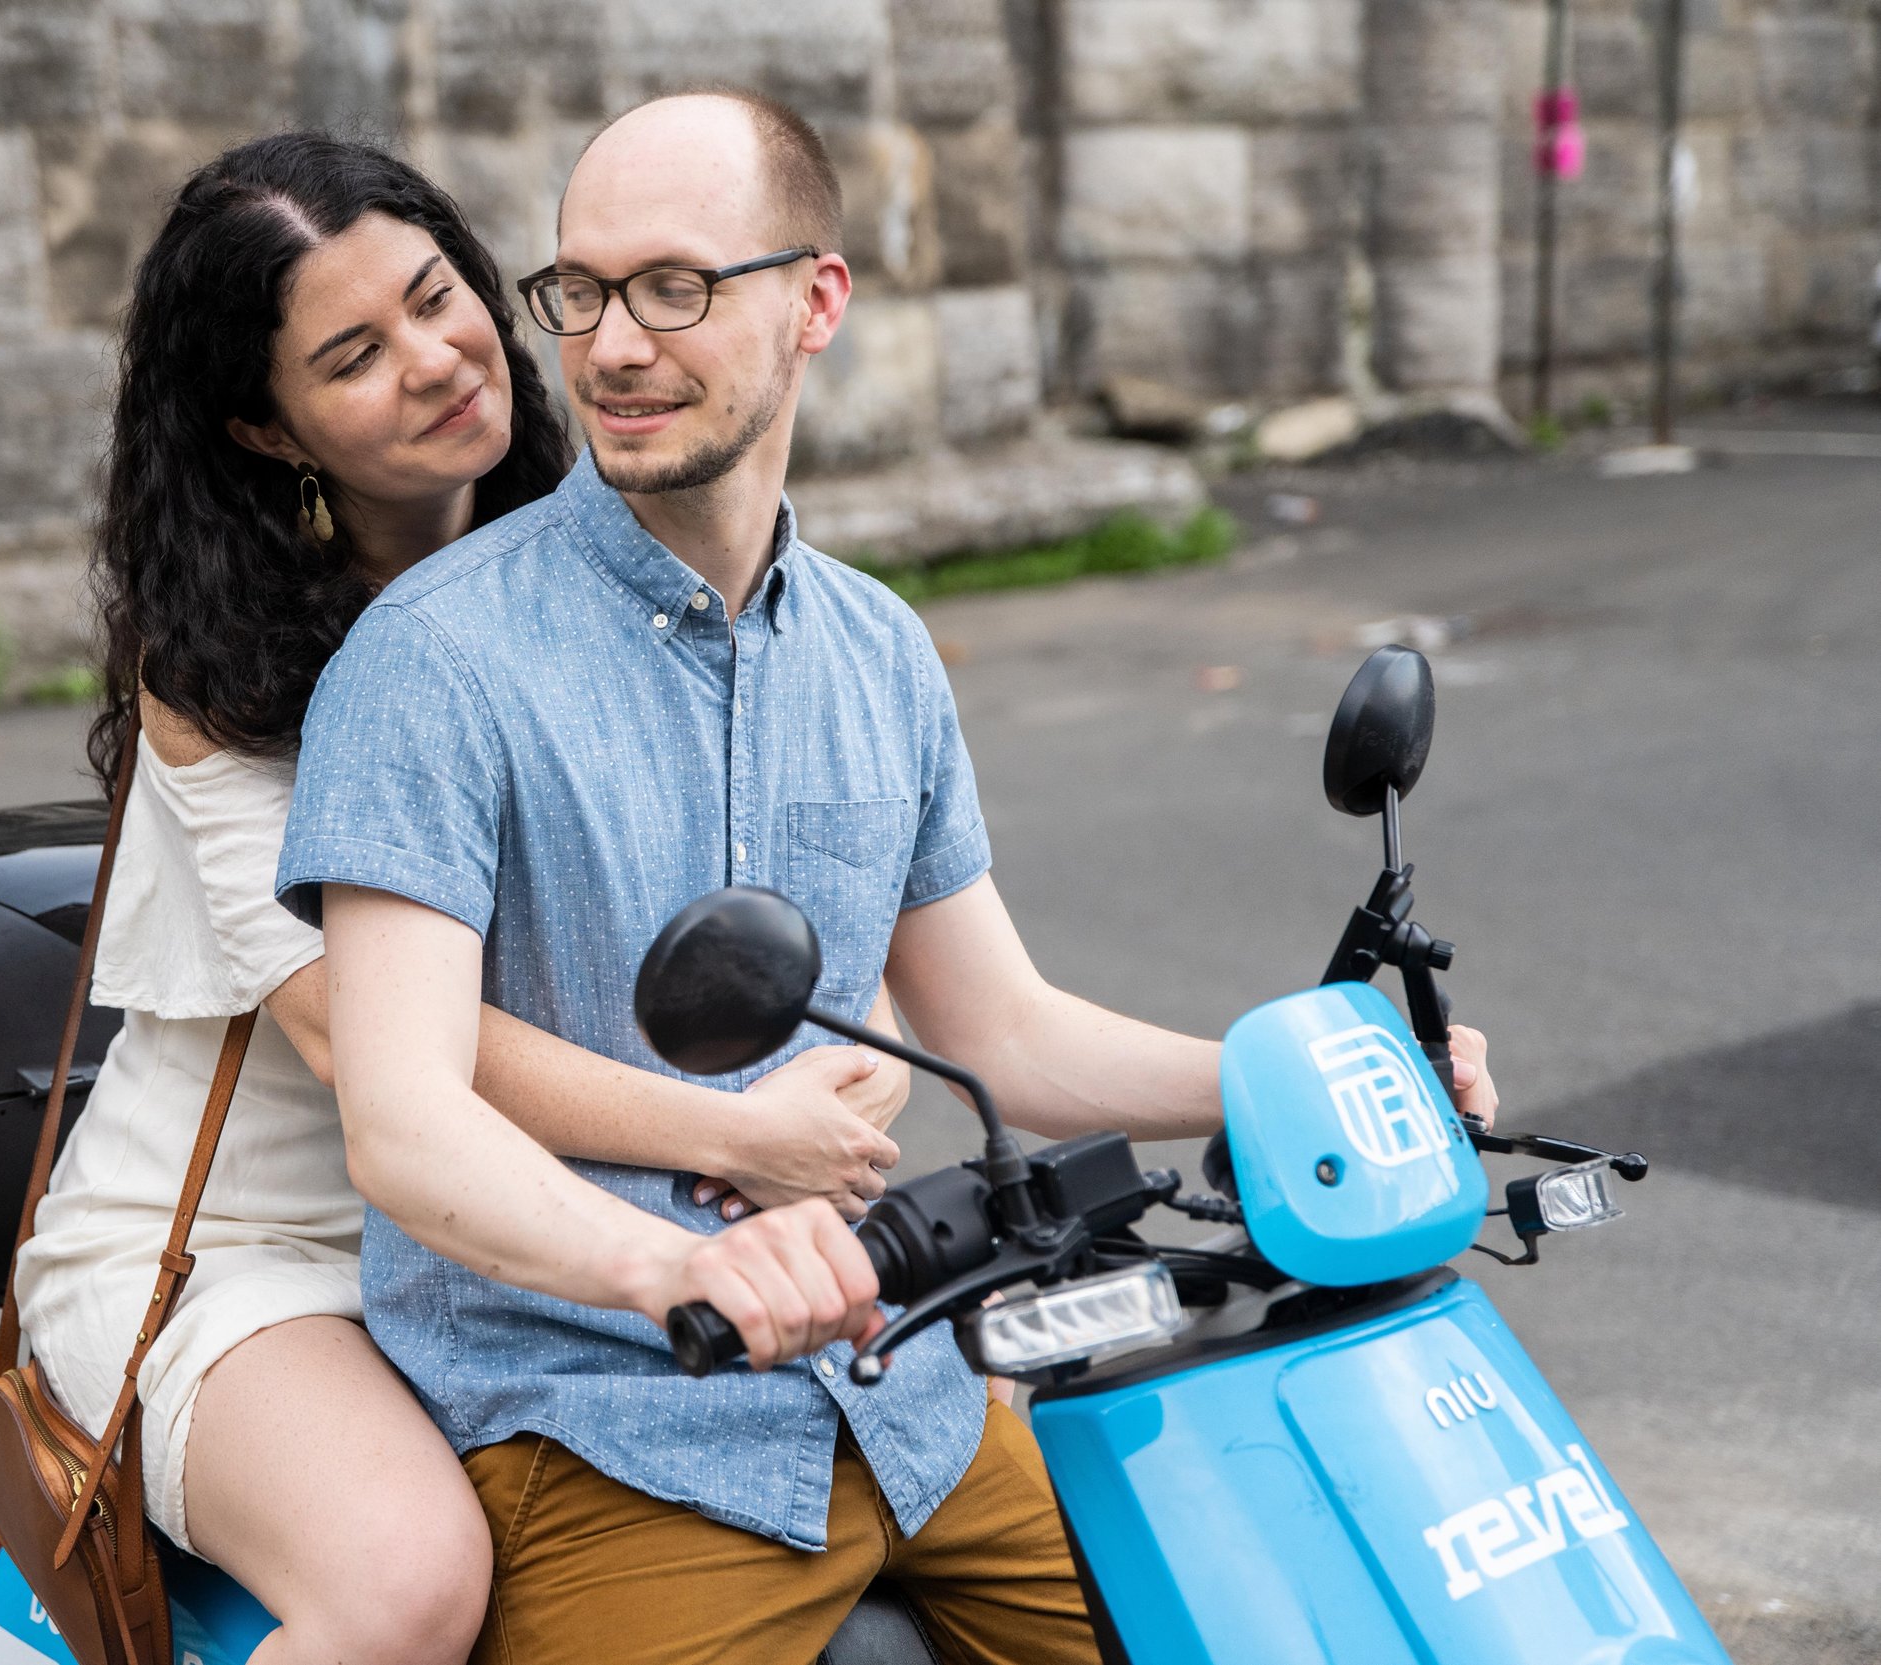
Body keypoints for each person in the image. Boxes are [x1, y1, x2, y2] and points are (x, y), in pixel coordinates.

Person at [277, 91, 1502, 1664]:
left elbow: (1001, 1029)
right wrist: (679, 1265)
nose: (614, 346)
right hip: (610, 1427)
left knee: (1256, 1617)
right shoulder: (431, 662)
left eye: (677, 285)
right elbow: (402, 1111)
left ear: (818, 300)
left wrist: (1314, 1072)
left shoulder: (876, 649)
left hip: (905, 1390)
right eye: (581, 292)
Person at [12, 132, 926, 1665]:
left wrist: (856, 1057)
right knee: (408, 1581)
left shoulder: (597, 564)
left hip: (519, 1229)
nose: (440, 361)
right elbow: (371, 1053)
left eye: (442, 297)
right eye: (356, 355)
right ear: (267, 423)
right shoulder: (216, 683)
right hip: (262, 1245)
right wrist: (737, 1137)